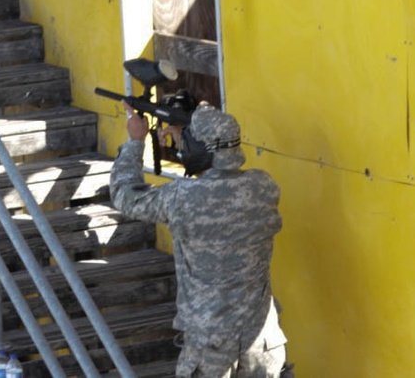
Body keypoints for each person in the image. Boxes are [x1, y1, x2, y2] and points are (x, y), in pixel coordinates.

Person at [109, 102, 290, 377]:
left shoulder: (183, 198)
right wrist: (194, 133)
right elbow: (221, 181)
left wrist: (136, 141)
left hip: (211, 346)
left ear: (197, 150)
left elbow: (125, 194)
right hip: (263, 343)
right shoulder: (263, 187)